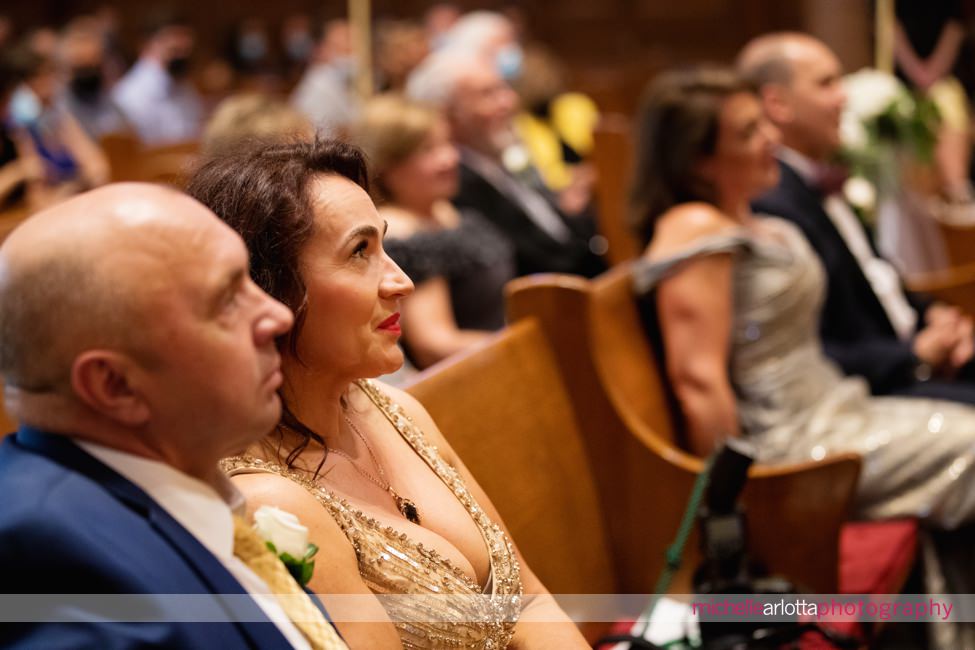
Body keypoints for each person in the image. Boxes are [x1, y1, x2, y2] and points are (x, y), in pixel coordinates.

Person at [186, 137, 588, 649]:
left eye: (384, 245)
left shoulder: (397, 409)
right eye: (360, 252)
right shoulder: (269, 502)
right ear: (271, 291)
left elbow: (527, 600)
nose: (401, 281)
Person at [629, 67, 975, 610]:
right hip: (789, 443)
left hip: (838, 407)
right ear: (697, 161)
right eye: (746, 133)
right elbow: (698, 379)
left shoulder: (745, 216)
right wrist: (737, 506)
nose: (769, 139)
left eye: (763, 124)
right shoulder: (695, 227)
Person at [0, 183, 350, 649]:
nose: (277, 316)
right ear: (115, 386)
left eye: (249, 279)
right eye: (226, 300)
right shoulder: (56, 562)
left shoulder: (171, 473)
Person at [739, 33, 975, 405]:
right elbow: (807, 349)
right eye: (826, 83)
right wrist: (915, 355)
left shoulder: (819, 179)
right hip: (882, 387)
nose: (844, 95)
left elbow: (878, 277)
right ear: (777, 103)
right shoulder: (775, 206)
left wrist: (936, 316)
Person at [407, 49, 605, 278]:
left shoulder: (505, 154)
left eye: (504, 88)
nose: (509, 102)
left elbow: (549, 223)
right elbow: (521, 261)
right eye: (488, 94)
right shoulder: (454, 181)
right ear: (449, 115)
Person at [353, 94, 515, 369]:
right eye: (428, 150)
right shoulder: (403, 233)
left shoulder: (443, 208)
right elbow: (434, 344)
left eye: (447, 143)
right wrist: (525, 342)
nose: (450, 158)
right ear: (387, 167)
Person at [112, 10, 203, 145]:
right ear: (148, 44)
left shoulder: (184, 86)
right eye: (175, 49)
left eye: (186, 50)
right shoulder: (129, 94)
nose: (181, 56)